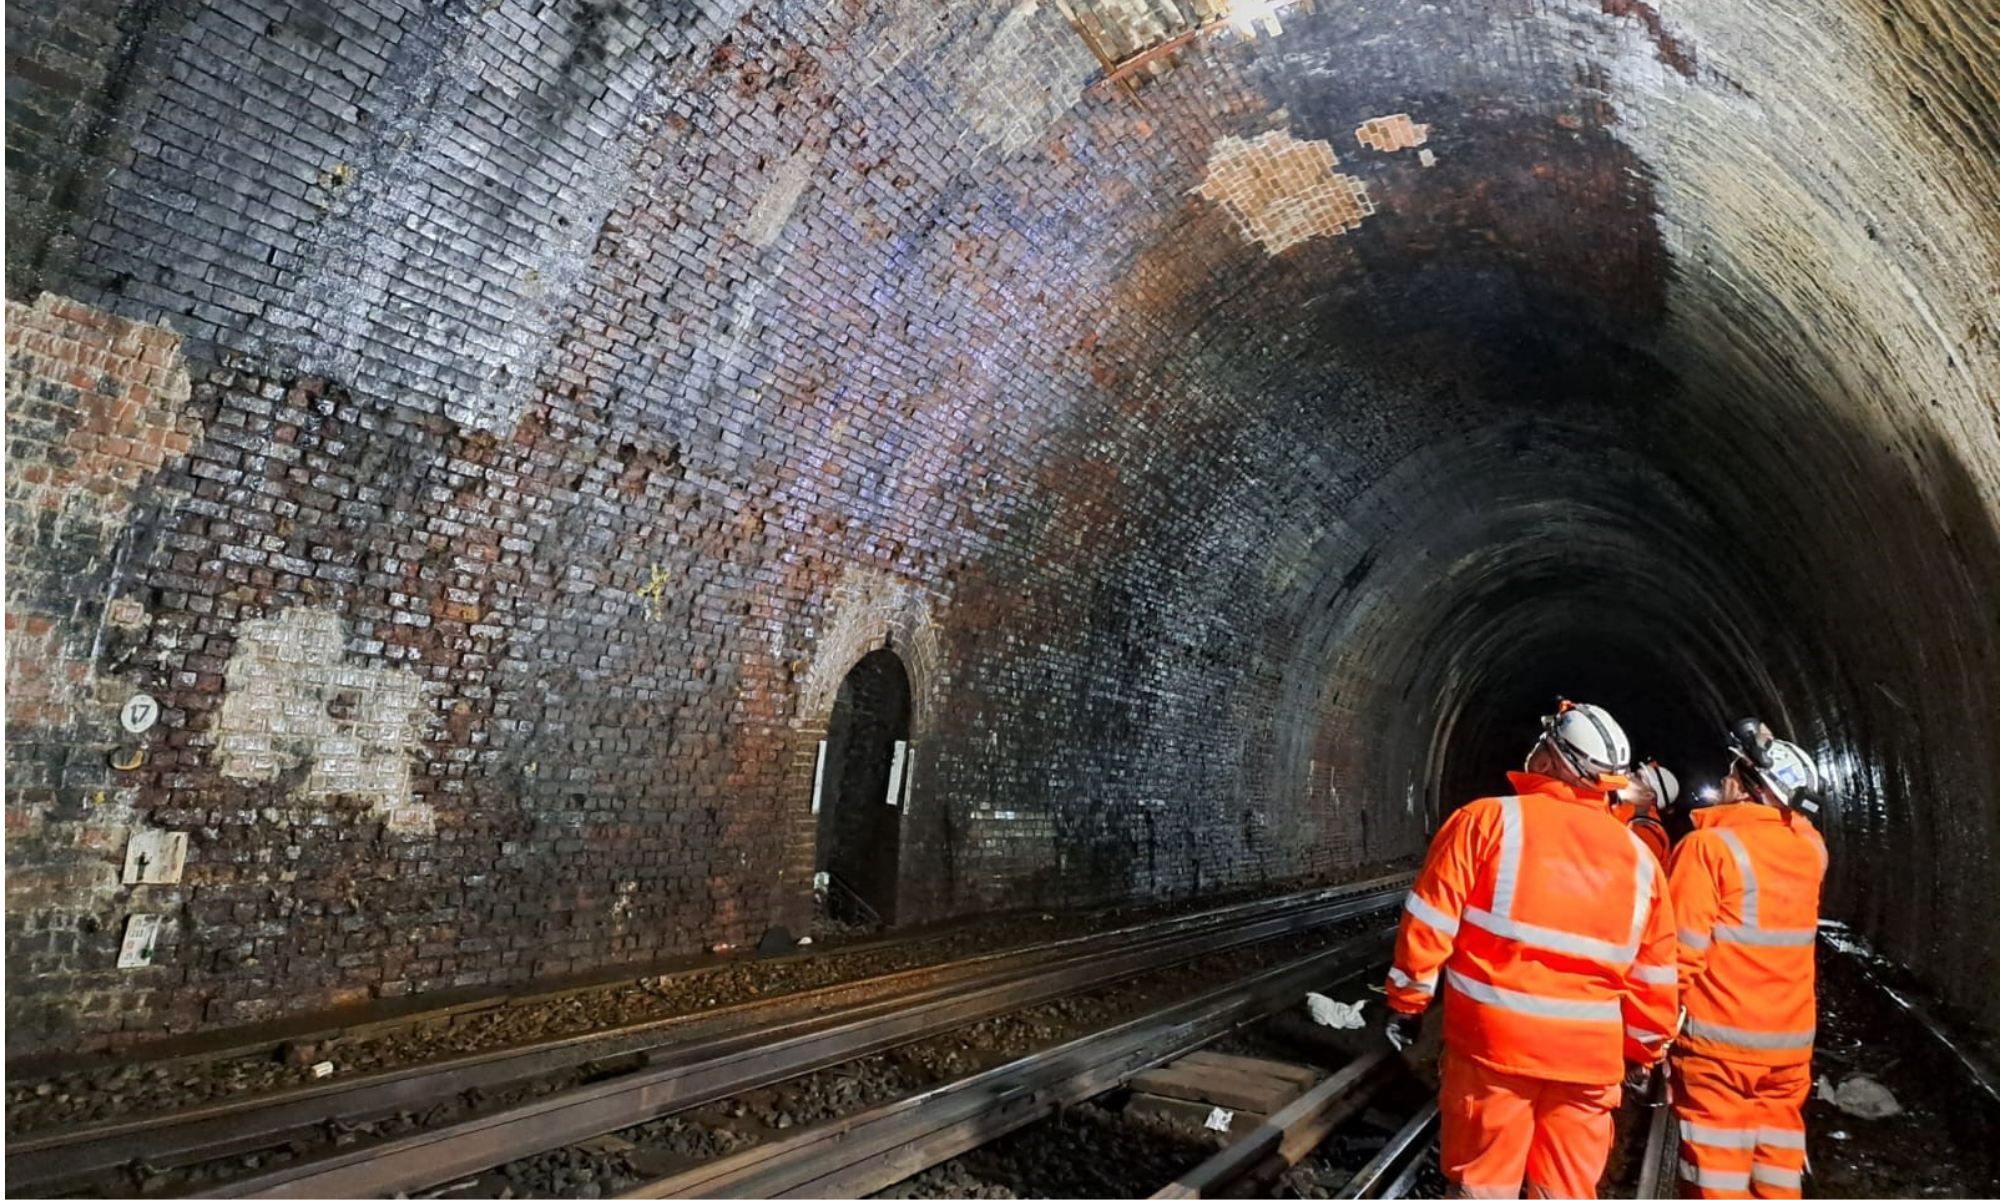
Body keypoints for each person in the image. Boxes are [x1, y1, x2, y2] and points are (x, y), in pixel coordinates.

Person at [1383, 700, 1680, 1199]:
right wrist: (1642, 1052)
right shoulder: (1640, 860)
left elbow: (1428, 925)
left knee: (1485, 1186)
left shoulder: (1485, 822)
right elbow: (1655, 975)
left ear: (1550, 761)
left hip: (1494, 1050)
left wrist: (1407, 1005)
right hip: (1589, 1062)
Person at [1666, 719, 1828, 1200]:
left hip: (1719, 1050)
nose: (1726, 780)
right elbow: (1798, 822)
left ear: (1749, 784)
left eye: (1734, 770)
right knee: (1776, 1166)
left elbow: (1678, 957)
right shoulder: (1812, 851)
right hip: (1789, 1049)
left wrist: (1647, 1039)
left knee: (1715, 1174)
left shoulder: (1708, 849)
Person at [1612, 760, 1677, 864]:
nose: (1628, 775)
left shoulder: (1644, 835)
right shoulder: (1627, 815)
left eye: (1637, 777)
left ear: (1648, 795)